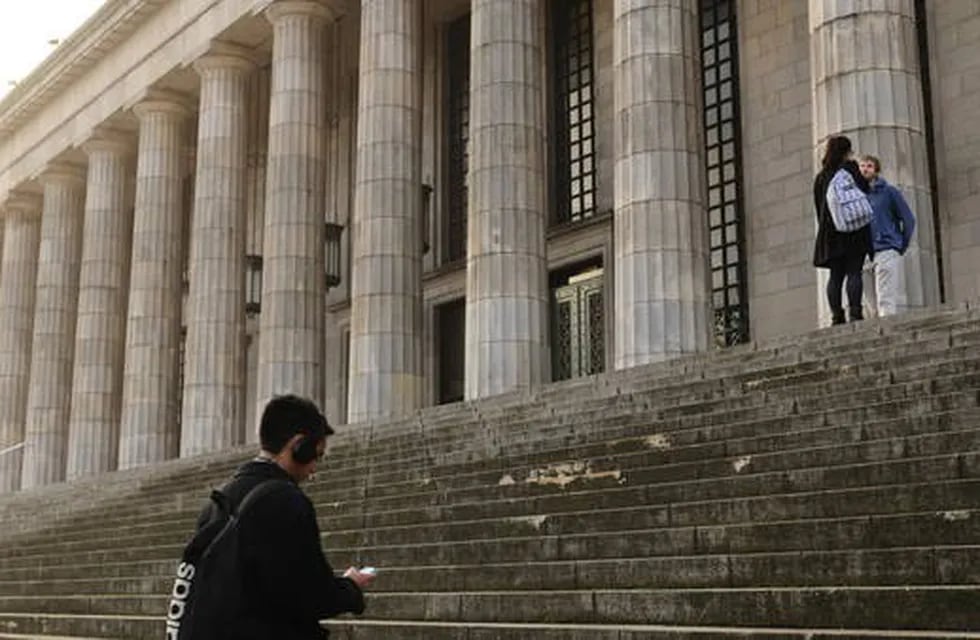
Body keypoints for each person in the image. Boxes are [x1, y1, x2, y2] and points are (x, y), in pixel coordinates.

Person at [197, 394, 374, 639]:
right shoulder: (285, 501)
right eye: (316, 455)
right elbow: (311, 594)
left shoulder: (217, 501)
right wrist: (351, 586)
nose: (314, 469)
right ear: (298, 445)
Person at [813, 135, 872, 325]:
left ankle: (837, 316)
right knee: (854, 271)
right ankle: (855, 313)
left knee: (835, 276)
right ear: (846, 151)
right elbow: (864, 191)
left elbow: (818, 206)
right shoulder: (851, 169)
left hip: (830, 233)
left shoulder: (821, 177)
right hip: (853, 229)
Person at [859, 154, 917, 317]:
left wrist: (900, 244)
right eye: (862, 166)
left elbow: (908, 219)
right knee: (870, 304)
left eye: (869, 166)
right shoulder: (856, 195)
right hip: (864, 252)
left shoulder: (889, 192)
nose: (865, 169)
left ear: (876, 170)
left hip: (886, 248)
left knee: (885, 299)